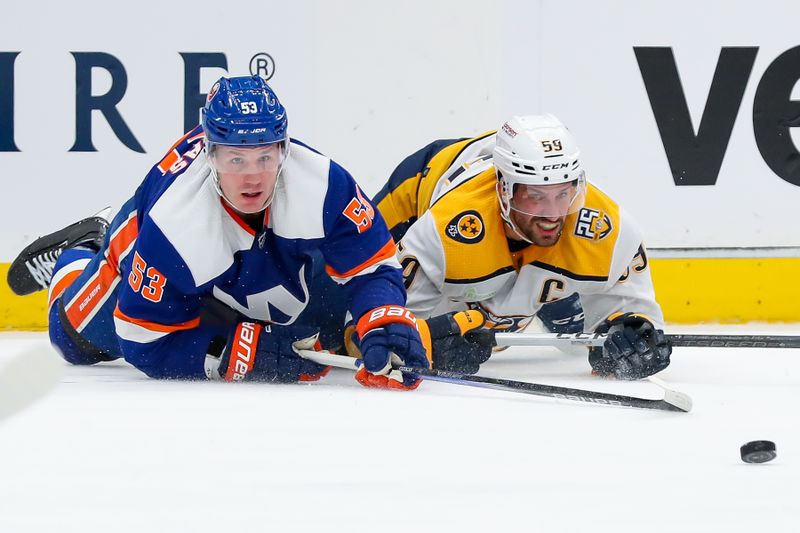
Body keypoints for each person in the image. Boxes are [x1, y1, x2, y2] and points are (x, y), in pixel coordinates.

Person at [7, 75, 430, 389]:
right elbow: (142, 343)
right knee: (75, 341)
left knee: (314, 316)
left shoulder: (322, 184)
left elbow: (373, 267)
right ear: (210, 154)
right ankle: (86, 246)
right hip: (145, 239)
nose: (253, 178)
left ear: (284, 148)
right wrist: (236, 353)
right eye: (235, 160)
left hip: (249, 255)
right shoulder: (172, 224)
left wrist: (381, 317)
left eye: (265, 157)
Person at [371, 114, 672, 380]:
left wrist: (632, 335)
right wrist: (428, 344)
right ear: (503, 190)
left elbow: (636, 311)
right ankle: (545, 295)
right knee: (335, 311)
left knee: (568, 317)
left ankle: (551, 296)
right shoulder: (442, 229)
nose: (553, 214)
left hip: (512, 261)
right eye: (536, 196)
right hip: (422, 182)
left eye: (563, 193)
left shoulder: (607, 227)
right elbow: (377, 328)